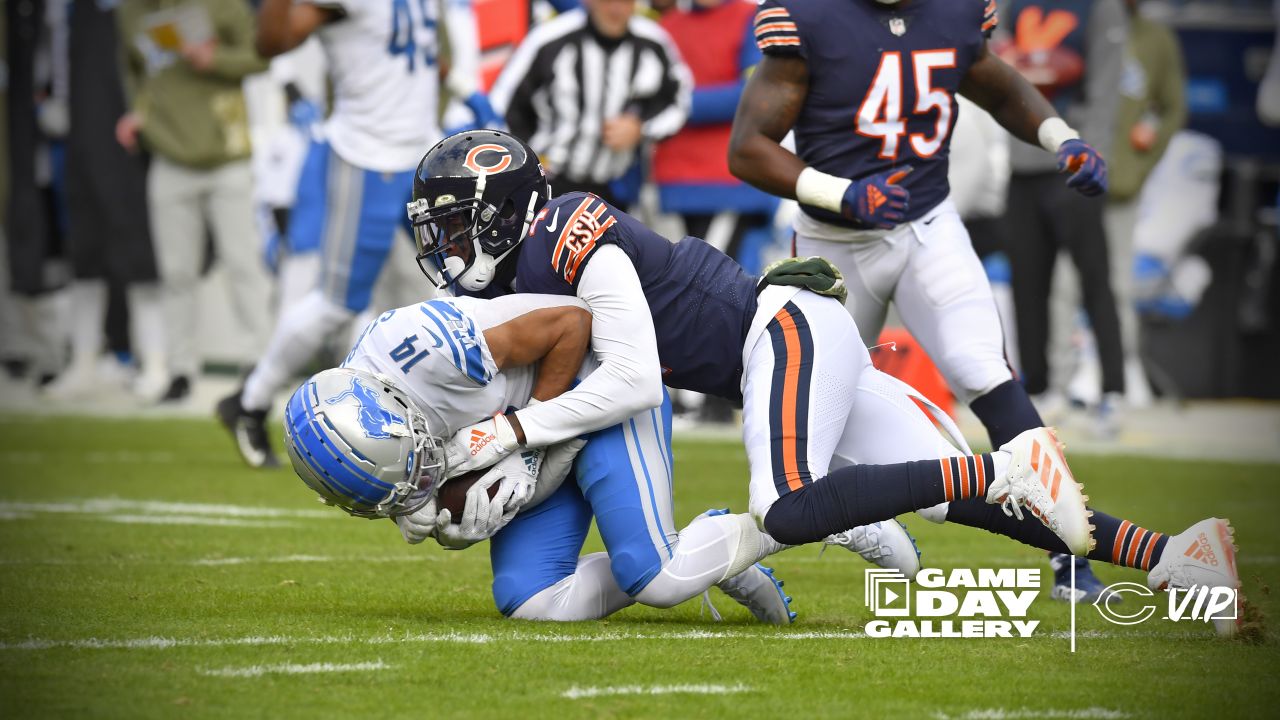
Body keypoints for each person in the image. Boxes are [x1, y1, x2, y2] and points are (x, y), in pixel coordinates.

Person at [409, 129, 1243, 636]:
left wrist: (511, 440)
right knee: (959, 502)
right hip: (786, 349)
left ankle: (1001, 463)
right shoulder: (529, 268)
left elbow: (630, 380)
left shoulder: (567, 231)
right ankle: (1178, 557)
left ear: (500, 212)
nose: (442, 247)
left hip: (784, 331)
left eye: (451, 224)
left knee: (789, 504)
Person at [724, 0, 1114, 603]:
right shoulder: (810, 16)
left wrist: (1060, 137)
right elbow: (747, 147)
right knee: (809, 434)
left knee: (981, 367)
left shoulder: (956, 12)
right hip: (835, 246)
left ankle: (1071, 551)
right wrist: (846, 194)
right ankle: (770, 543)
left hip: (927, 225)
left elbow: (994, 80)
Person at [284, 295, 796, 622]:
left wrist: (526, 447)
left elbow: (572, 324)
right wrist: (426, 505)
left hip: (595, 392)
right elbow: (420, 468)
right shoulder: (367, 419)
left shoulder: (422, 350)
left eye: (414, 465)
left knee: (655, 577)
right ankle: (705, 548)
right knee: (530, 601)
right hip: (524, 436)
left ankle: (778, 523)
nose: (418, 478)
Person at [216, 0, 490, 468]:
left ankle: (482, 419)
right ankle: (251, 400)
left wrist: (464, 88)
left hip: (422, 152)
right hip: (367, 158)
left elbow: (415, 49)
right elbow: (270, 44)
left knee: (470, 282)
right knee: (337, 301)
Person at [117, 0, 273, 402]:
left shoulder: (225, 5)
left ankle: (259, 363)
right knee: (175, 272)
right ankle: (180, 369)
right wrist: (138, 113)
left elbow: (260, 57)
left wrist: (213, 57)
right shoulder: (130, 11)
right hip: (168, 156)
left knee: (243, 265)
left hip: (226, 154)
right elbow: (132, 68)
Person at [487, 0, 690, 207]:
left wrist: (641, 128)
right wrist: (524, 165)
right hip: (548, 184)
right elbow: (499, 106)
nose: (616, 8)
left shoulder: (653, 42)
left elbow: (679, 100)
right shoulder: (549, 39)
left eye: (626, 2)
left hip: (614, 190)